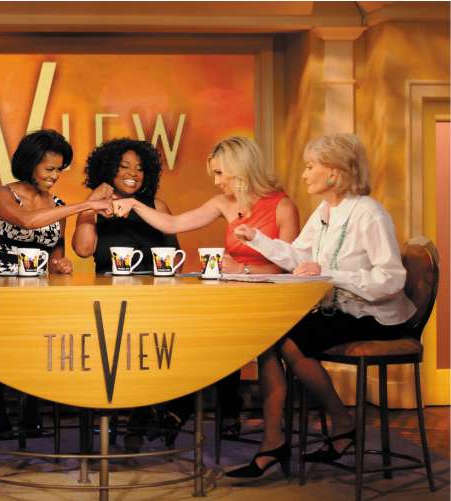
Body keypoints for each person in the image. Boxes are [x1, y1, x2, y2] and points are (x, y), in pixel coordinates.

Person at [228, 133, 416, 479]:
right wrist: (257, 239)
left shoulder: (370, 214)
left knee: (286, 340)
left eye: (310, 166)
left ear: (334, 172)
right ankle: (278, 440)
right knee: (272, 338)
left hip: (375, 315)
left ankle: (333, 427)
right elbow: (300, 256)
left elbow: (390, 279)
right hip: (340, 309)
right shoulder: (326, 210)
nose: (304, 174)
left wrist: (330, 272)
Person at [112, 136, 300, 440]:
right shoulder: (224, 203)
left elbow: (291, 267)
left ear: (240, 171)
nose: (215, 182)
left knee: (211, 335)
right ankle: (182, 409)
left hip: (267, 300)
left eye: (219, 173)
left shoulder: (283, 206)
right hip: (231, 296)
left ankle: (178, 410)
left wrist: (243, 269)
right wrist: (134, 204)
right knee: (187, 328)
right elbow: (172, 225)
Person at [0, 129, 112, 435]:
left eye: (59, 170)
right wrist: (86, 205)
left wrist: (60, 266)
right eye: (50, 169)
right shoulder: (1, 194)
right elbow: (26, 221)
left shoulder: (58, 205)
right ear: (30, 164)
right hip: (0, 285)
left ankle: (30, 408)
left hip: (38, 290)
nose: (55, 176)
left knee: (45, 341)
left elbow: (56, 257)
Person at [72, 137, 193, 452]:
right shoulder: (94, 208)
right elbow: (83, 249)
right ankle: (133, 417)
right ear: (107, 170)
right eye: (123, 167)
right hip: (107, 307)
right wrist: (91, 201)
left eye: (140, 168)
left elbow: (175, 259)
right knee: (116, 351)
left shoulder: (156, 207)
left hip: (152, 304)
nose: (133, 174)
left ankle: (147, 417)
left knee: (172, 345)